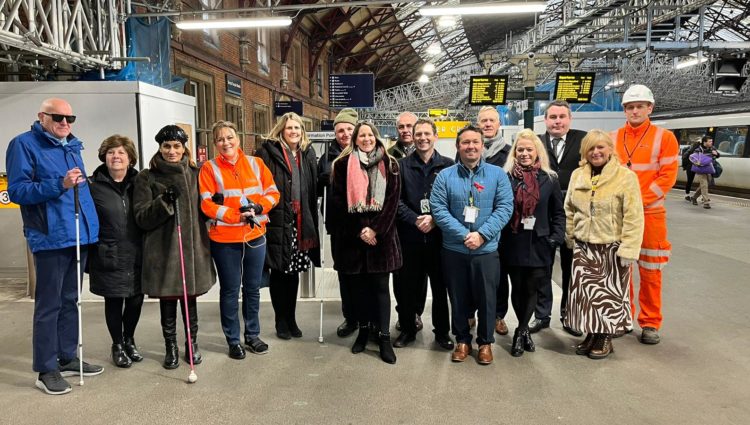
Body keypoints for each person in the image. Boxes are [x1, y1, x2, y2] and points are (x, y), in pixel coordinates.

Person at [6, 98, 102, 395]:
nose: (65, 122)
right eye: (58, 117)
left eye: (70, 117)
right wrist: (58, 185)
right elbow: (18, 191)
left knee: (72, 300)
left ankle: (67, 355)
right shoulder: (23, 144)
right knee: (48, 305)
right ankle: (46, 368)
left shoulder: (72, 146)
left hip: (78, 236)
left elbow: (81, 193)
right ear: (42, 116)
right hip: (50, 238)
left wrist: (92, 229)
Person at [133, 125, 215, 369]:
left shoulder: (196, 173)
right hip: (164, 251)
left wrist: (215, 202)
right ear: (159, 147)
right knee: (168, 300)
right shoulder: (147, 177)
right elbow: (141, 217)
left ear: (184, 148)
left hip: (192, 250)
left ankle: (192, 343)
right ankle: (170, 346)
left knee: (189, 300)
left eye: (176, 146)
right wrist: (164, 201)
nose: (171, 151)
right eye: (166, 146)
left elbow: (206, 204)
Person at [430, 124, 513, 365]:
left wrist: (482, 235)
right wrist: (464, 235)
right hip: (454, 250)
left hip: (486, 250)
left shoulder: (498, 175)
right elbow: (439, 210)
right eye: (465, 142)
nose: (471, 146)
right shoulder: (445, 176)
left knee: (487, 298)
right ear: (458, 146)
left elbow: (505, 207)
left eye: (475, 142)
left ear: (482, 146)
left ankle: (485, 342)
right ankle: (462, 340)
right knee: (458, 297)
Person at [199, 121, 279, 359]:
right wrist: (236, 216)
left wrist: (258, 206)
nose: (226, 142)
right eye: (221, 139)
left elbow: (273, 193)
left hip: (255, 235)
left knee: (253, 289)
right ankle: (234, 340)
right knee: (230, 290)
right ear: (215, 143)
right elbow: (206, 204)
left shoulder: (257, 164)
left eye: (230, 137)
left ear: (238, 139)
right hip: (224, 239)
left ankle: (252, 336)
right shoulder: (209, 169)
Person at [564, 130, 644, 359]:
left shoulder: (625, 177)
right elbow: (569, 208)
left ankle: (605, 337)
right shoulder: (578, 175)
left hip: (611, 247)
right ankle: (591, 334)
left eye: (600, 147)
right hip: (584, 246)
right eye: (591, 148)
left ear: (610, 149)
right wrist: (571, 235)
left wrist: (629, 248)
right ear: (584, 152)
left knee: (609, 297)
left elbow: (634, 216)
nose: (596, 152)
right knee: (587, 297)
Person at [329, 121, 401, 364]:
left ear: (376, 137)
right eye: (362, 135)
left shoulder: (391, 165)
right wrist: (362, 229)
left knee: (381, 290)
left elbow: (392, 203)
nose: (366, 139)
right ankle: (362, 331)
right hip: (354, 239)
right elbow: (338, 202)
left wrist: (375, 230)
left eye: (370, 135)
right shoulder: (341, 165)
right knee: (358, 290)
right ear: (355, 139)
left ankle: (383, 337)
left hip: (382, 239)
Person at [612, 84, 679, 345]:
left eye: (640, 106)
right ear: (625, 110)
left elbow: (667, 177)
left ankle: (650, 322)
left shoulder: (665, 138)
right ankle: (624, 315)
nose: (635, 111)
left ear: (650, 108)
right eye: (630, 107)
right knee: (622, 267)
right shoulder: (614, 137)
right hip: (621, 216)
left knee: (651, 270)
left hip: (650, 215)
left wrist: (637, 202)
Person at [501, 129, 565, 357]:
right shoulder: (506, 177)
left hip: (540, 243)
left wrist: (555, 238)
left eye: (529, 149)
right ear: (514, 152)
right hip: (513, 241)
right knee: (517, 288)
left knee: (532, 288)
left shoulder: (549, 178)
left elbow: (558, 212)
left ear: (537, 151)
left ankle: (520, 331)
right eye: (520, 149)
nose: (525, 153)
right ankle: (523, 328)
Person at [257, 112, 321, 340]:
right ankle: (280, 321)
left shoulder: (307, 153)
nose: (294, 131)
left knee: (293, 272)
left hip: (300, 221)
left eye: (297, 128)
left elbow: (314, 185)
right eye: (289, 128)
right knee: (279, 272)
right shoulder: (267, 152)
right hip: (277, 221)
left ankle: (292, 319)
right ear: (281, 131)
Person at [392, 118, 454, 350]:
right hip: (409, 237)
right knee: (407, 287)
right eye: (418, 134)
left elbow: (453, 200)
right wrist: (415, 219)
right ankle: (408, 329)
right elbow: (395, 201)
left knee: (440, 288)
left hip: (439, 239)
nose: (422, 138)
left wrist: (435, 219)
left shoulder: (448, 166)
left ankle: (442, 333)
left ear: (435, 136)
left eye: (427, 133)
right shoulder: (400, 166)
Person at [532, 100, 587, 337]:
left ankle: (569, 315)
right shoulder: (536, 143)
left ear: (570, 119)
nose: (557, 121)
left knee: (571, 269)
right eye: (552, 117)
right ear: (545, 120)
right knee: (542, 269)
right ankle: (541, 315)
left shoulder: (583, 140)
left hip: (574, 217)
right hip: (543, 219)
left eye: (562, 116)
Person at [88, 135, 143, 368]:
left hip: (137, 251)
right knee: (113, 301)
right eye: (111, 152)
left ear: (130, 158)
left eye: (121, 152)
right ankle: (117, 344)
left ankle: (129, 339)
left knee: (135, 300)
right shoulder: (93, 185)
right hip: (108, 252)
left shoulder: (141, 182)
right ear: (104, 156)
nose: (116, 157)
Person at [317, 108, 359, 337]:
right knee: (344, 273)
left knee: (364, 274)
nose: (344, 134)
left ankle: (368, 319)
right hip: (339, 226)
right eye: (340, 130)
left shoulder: (366, 151)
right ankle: (350, 317)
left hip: (363, 225)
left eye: (348, 129)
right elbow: (317, 185)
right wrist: (323, 178)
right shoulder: (327, 156)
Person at [476, 106, 513, 336]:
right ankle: (471, 313)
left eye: (492, 120)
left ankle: (498, 315)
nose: (488, 124)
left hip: (502, 226)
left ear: (499, 124)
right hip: (473, 225)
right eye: (483, 121)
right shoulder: (470, 150)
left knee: (500, 275)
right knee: (473, 274)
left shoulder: (510, 153)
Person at [688, 136, 719, 209]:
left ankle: (694, 197)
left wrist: (716, 154)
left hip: (709, 169)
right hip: (700, 170)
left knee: (705, 185)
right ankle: (706, 203)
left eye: (711, 141)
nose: (711, 143)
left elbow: (718, 156)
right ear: (705, 142)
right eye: (709, 141)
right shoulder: (698, 149)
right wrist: (697, 162)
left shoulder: (712, 148)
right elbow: (693, 158)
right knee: (704, 185)